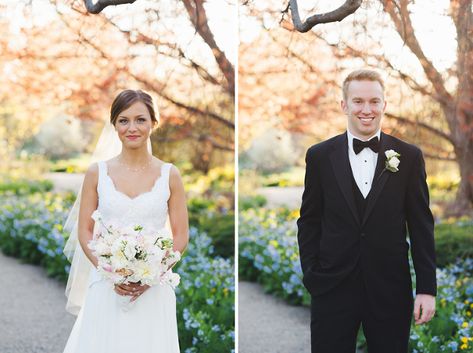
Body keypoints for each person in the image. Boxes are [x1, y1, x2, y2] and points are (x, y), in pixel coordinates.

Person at [297, 69, 436, 353]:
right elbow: (309, 220)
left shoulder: (409, 157)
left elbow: (421, 225)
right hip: (331, 288)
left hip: (390, 288)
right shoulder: (319, 156)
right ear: (344, 105)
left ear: (384, 105)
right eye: (358, 101)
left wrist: (426, 288)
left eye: (374, 101)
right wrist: (312, 273)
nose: (366, 110)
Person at [63, 89, 189, 353]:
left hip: (154, 287)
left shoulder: (170, 174)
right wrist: (109, 271)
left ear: (153, 123)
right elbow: (85, 230)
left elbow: (180, 236)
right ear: (114, 125)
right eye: (124, 120)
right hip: (107, 285)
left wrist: (153, 272)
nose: (132, 128)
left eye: (140, 120)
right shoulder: (97, 173)